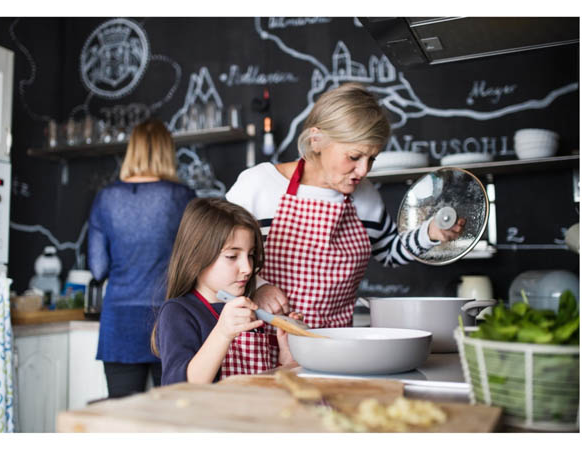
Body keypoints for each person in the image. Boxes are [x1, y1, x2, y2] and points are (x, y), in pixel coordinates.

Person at [226, 82, 465, 354]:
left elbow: (388, 251)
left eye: (372, 159)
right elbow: (214, 255)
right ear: (316, 139)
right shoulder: (258, 185)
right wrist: (258, 287)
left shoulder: (366, 197)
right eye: (354, 156)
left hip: (332, 349)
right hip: (260, 345)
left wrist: (430, 233)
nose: (363, 170)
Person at [88, 118, 196, 398]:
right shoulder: (181, 197)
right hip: (169, 318)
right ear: (166, 151)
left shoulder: (106, 199)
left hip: (119, 320)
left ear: (131, 150)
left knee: (122, 419)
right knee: (172, 416)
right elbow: (196, 260)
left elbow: (97, 268)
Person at [151, 198, 302, 385]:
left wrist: (286, 359)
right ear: (197, 257)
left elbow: (263, 385)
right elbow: (179, 387)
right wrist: (223, 333)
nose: (247, 268)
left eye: (251, 255)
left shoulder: (250, 310)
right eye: (232, 256)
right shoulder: (178, 312)